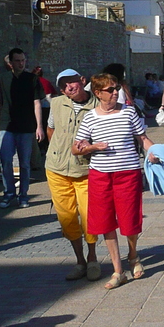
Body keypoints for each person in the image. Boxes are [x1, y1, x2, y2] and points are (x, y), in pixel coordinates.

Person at [73, 73, 159, 290]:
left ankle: (133, 255)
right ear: (98, 93)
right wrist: (92, 147)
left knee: (130, 219)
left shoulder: (128, 112)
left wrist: (153, 151)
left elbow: (142, 138)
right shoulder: (90, 117)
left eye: (116, 88)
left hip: (127, 173)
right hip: (101, 175)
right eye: (110, 90)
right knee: (105, 222)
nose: (115, 93)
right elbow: (76, 148)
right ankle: (118, 270)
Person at [46, 69, 101, 282]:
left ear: (82, 81)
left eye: (73, 82)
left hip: (85, 170)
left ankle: (93, 257)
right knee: (67, 217)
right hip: (57, 168)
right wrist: (58, 151)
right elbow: (51, 130)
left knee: (89, 216)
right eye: (64, 85)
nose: (69, 87)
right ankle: (80, 261)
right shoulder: (57, 103)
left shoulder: (96, 105)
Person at [0, 47, 45, 209]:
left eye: (23, 60)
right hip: (7, 125)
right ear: (10, 63)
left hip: (26, 126)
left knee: (25, 163)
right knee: (5, 161)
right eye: (17, 61)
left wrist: (39, 126)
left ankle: (24, 194)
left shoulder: (32, 79)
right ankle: (9, 192)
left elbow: (37, 102)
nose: (21, 63)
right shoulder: (1, 79)